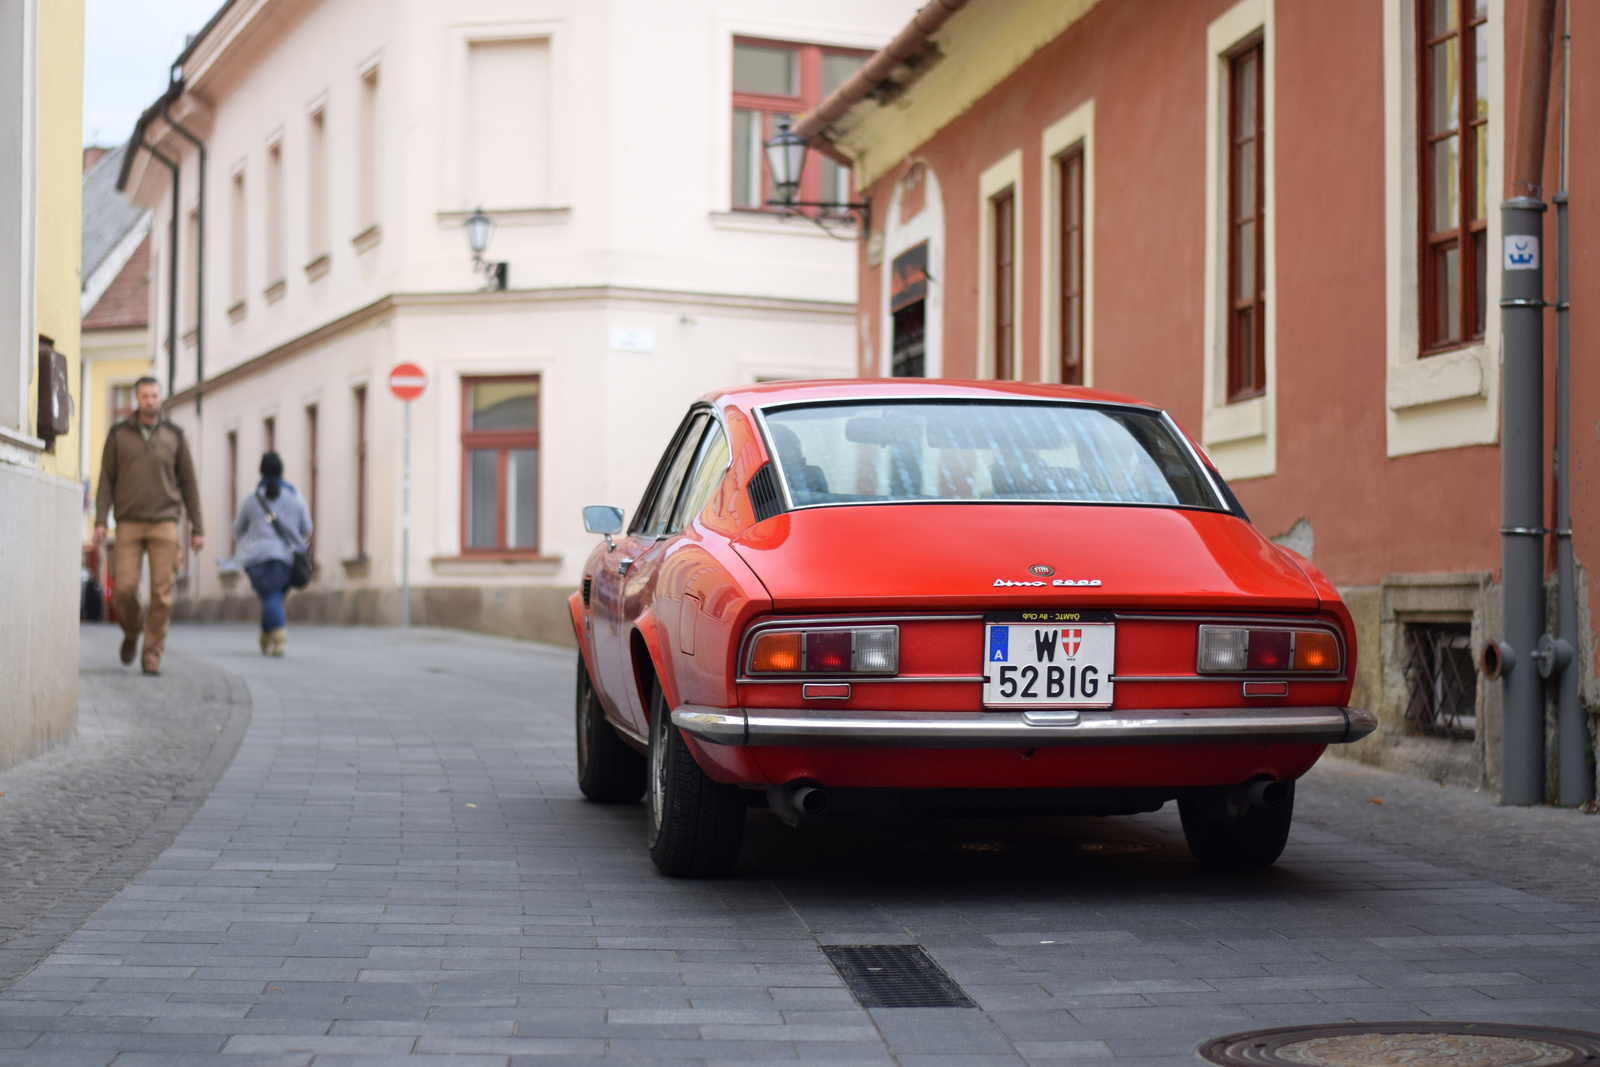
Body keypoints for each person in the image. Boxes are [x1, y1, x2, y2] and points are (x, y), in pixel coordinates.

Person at [93, 377, 204, 676]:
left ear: (160, 398)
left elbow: (189, 483)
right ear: (136, 399)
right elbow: (106, 480)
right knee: (125, 589)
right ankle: (132, 632)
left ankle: (152, 654)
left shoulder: (174, 436)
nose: (150, 400)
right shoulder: (118, 435)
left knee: (162, 595)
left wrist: (198, 527)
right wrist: (101, 521)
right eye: (145, 396)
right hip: (128, 522)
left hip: (165, 523)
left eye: (155, 395)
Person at [232, 452, 311, 657]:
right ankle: (266, 637)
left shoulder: (252, 499)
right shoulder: (295, 497)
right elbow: (307, 526)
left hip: (257, 558)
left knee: (270, 596)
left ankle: (278, 639)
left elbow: (237, 530)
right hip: (286, 558)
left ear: (261, 471)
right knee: (273, 596)